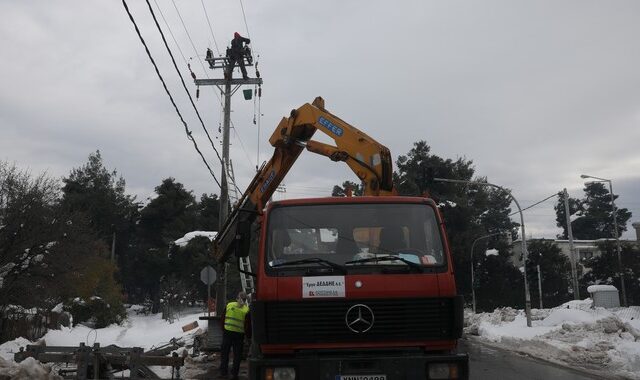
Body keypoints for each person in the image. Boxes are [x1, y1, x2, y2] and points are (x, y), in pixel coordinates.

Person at [219, 291, 250, 379]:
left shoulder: (229, 305)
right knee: (237, 355)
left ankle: (223, 372)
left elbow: (222, 318)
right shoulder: (246, 310)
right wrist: (248, 337)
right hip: (239, 335)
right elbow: (247, 326)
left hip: (228, 333)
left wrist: (223, 329)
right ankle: (234, 374)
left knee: (225, 353)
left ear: (237, 298)